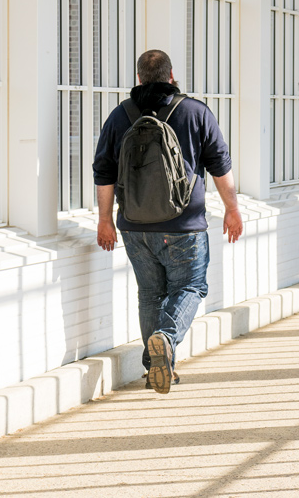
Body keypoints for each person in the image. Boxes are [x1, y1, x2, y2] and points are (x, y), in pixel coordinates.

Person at [93, 49, 243, 394]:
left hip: (133, 225)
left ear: (139, 79)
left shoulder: (120, 116)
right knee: (191, 287)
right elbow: (220, 164)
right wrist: (232, 209)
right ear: (171, 75)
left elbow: (103, 172)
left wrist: (105, 220)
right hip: (184, 225)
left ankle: (157, 369)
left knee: (150, 294)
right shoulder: (194, 111)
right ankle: (167, 338)